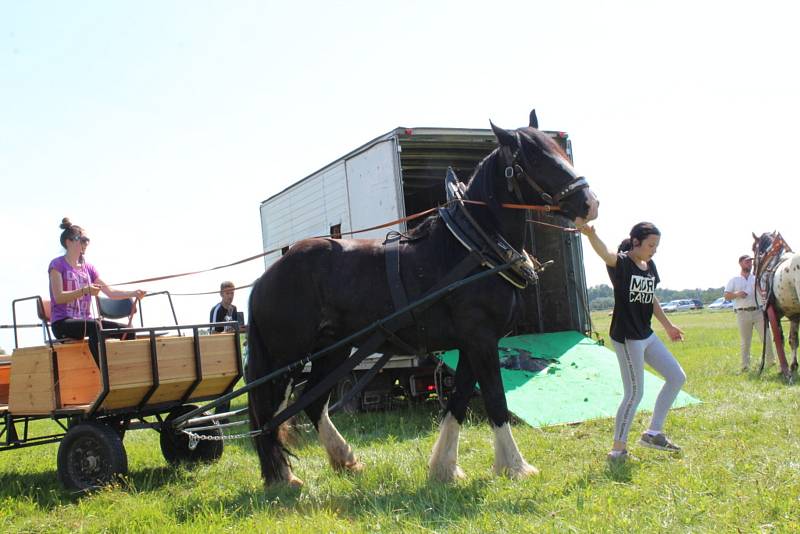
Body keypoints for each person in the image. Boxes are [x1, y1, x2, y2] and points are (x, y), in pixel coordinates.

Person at [580, 222, 687, 463]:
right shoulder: (622, 263)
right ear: (636, 241)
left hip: (646, 334)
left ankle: (653, 433)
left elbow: (651, 298)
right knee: (634, 393)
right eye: (651, 245)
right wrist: (592, 234)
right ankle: (618, 451)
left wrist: (668, 326)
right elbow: (605, 253)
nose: (654, 250)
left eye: (656, 246)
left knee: (677, 377)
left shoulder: (649, 266)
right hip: (627, 337)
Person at [48, 218, 146, 364]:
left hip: (86, 322)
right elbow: (59, 297)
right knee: (95, 326)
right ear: (68, 242)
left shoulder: (89, 268)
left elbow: (110, 292)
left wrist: (133, 293)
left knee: (129, 331)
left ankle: (125, 371)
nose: (86, 244)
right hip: (62, 323)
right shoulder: (57, 265)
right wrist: (85, 290)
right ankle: (106, 375)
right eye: (82, 239)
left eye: (87, 240)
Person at [724, 254, 775, 372]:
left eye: (750, 262)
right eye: (747, 262)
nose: (750, 264)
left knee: (766, 337)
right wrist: (737, 294)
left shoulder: (756, 278)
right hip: (742, 313)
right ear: (740, 263)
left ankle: (771, 362)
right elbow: (726, 296)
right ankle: (745, 366)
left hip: (758, 312)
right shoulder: (734, 279)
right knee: (745, 341)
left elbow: (764, 292)